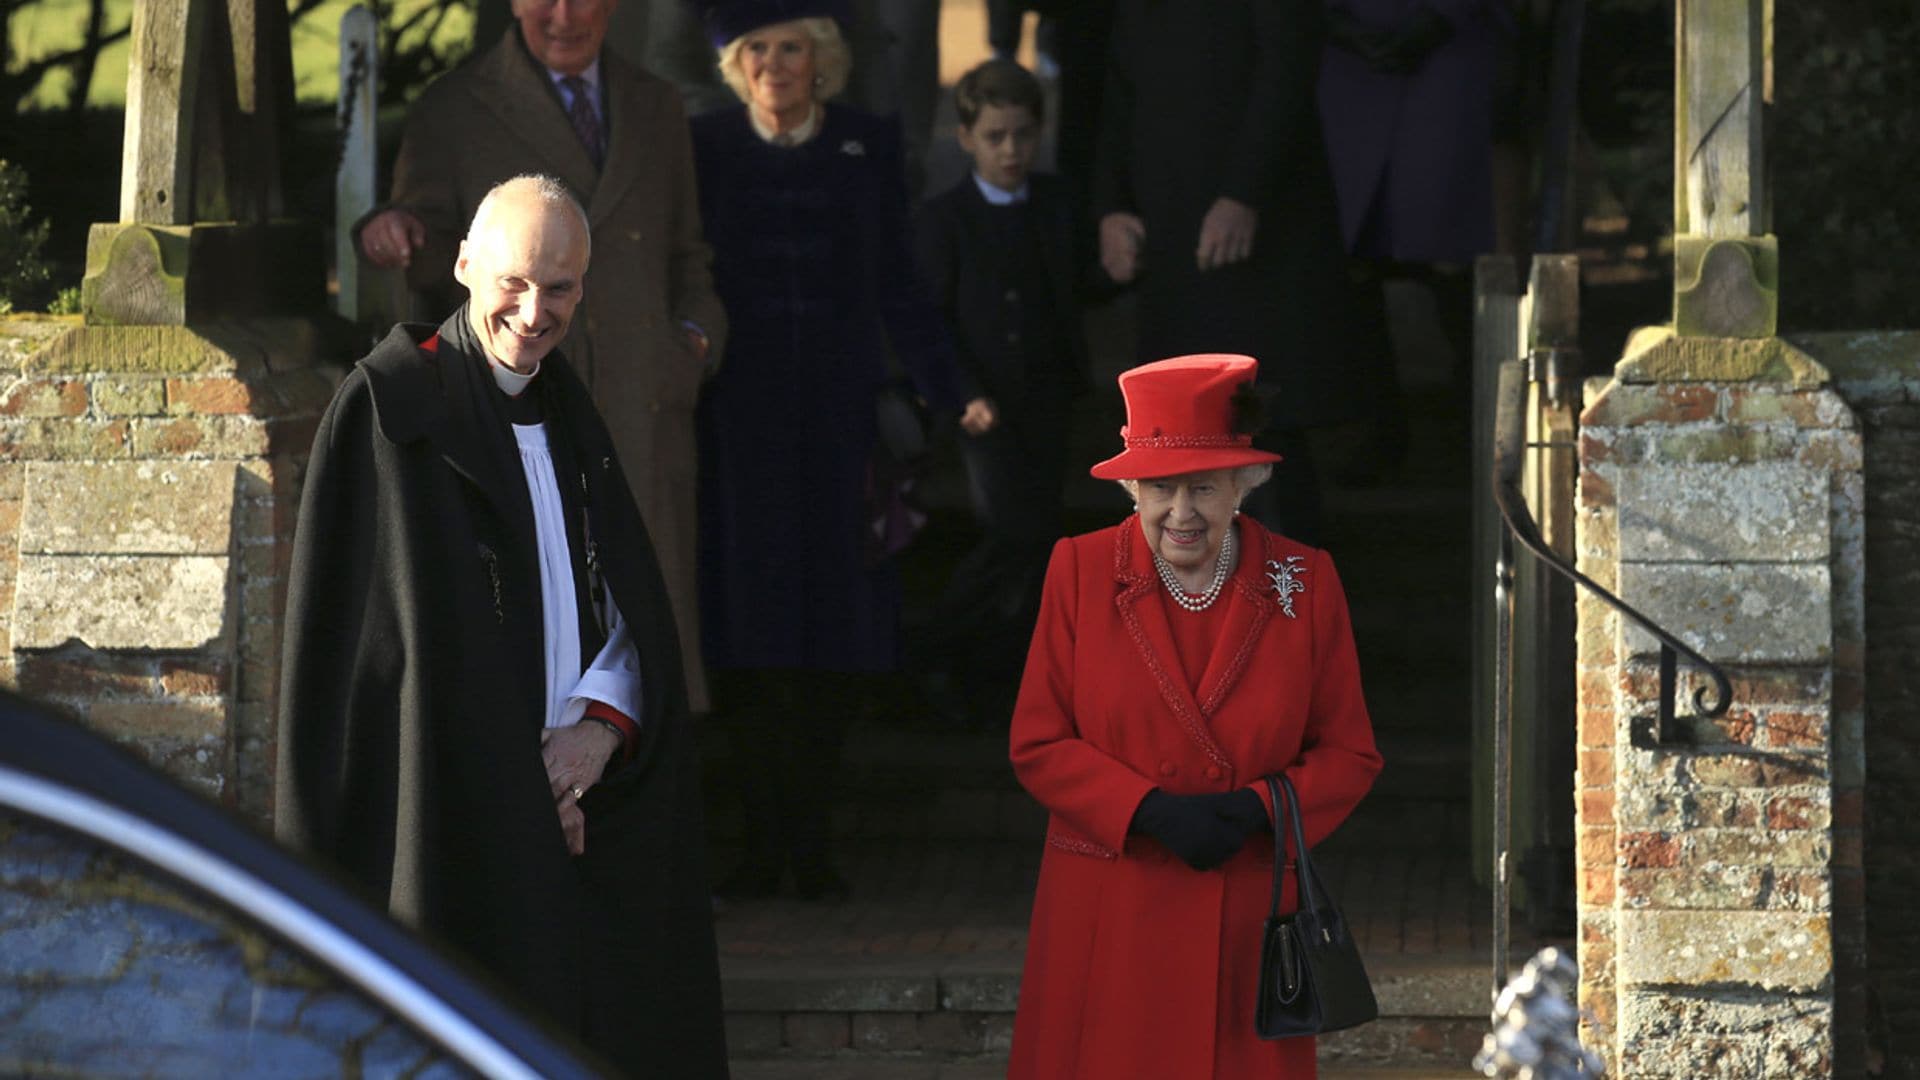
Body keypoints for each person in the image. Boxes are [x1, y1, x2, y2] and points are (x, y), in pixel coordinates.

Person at [278, 176, 727, 1076]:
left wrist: (597, 736)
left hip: (581, 813)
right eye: (513, 282)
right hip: (454, 824)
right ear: (464, 266)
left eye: (559, 288)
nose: (533, 311)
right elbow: (378, 664)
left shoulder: (568, 410)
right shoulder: (392, 413)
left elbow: (626, 608)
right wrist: (525, 794)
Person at [687, 2, 996, 900]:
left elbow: (899, 284)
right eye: (758, 52)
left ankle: (813, 845)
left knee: (831, 636)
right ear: (735, 66)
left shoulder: (865, 143)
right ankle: (759, 844)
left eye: (792, 49)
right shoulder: (704, 148)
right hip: (736, 434)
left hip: (837, 434)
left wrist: (952, 387)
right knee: (749, 637)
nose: (776, 66)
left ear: (822, 60)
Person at [1007, 354, 1383, 1078]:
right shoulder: (1078, 570)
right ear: (1131, 489)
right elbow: (1038, 739)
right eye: (1159, 488)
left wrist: (1259, 808)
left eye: (1204, 487)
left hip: (1246, 904)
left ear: (1243, 486)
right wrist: (1142, 808)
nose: (1181, 512)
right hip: (1110, 902)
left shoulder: (1302, 580)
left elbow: (1349, 752)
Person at [356, 0, 727, 713]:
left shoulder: (655, 104)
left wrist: (693, 343)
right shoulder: (455, 105)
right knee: (542, 640)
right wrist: (393, 228)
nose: (564, 15)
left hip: (642, 413)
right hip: (522, 414)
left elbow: (689, 255)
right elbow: (433, 253)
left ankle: (639, 794)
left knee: (646, 645)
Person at [1094, 0, 1353, 544]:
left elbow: (1287, 69)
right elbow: (1115, 88)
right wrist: (1111, 206)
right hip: (1167, 229)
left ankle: (1289, 610)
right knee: (1179, 435)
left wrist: (1244, 192)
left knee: (1264, 433)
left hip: (1261, 239)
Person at [912, 58, 1090, 722]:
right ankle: (930, 644)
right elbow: (929, 318)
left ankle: (1000, 671)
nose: (1011, 150)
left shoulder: (1057, 204)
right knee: (1013, 531)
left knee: (1039, 537)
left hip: (1046, 396)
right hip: (983, 409)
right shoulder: (944, 218)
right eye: (995, 137)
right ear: (965, 138)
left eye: (1022, 134)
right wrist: (961, 392)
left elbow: (1074, 285)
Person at [1318, 0, 1510, 480]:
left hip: (1449, 53)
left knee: (1453, 248)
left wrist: (1440, 22)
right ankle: (1378, 429)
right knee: (1352, 253)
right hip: (1347, 66)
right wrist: (1338, 27)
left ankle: (1481, 427)